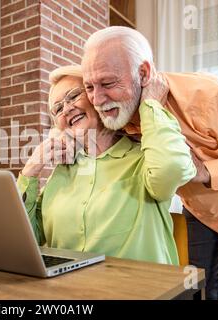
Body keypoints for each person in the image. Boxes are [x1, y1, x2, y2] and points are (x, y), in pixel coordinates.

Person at [81, 26, 218, 300]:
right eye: (89, 87)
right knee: (194, 291)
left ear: (143, 74)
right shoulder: (121, 116)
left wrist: (207, 171)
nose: (96, 99)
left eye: (108, 84)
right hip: (203, 209)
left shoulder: (208, 95)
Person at [17, 65, 196, 265]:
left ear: (99, 97)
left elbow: (173, 168)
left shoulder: (145, 157)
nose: (66, 109)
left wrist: (150, 104)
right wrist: (30, 170)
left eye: (74, 96)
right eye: (58, 109)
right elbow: (26, 240)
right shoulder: (61, 173)